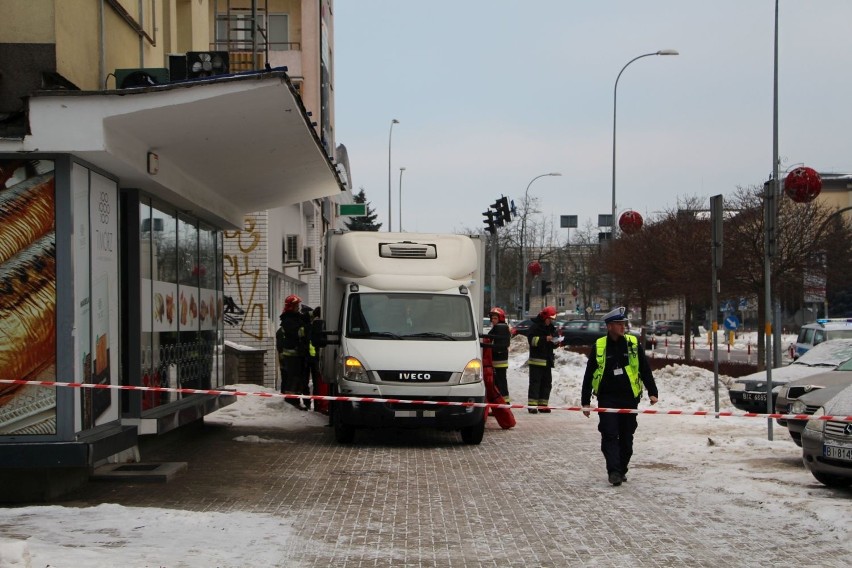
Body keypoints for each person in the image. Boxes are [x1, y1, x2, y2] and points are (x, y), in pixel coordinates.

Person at [581, 306, 659, 486]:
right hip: (607, 398)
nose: (623, 327)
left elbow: (644, 369)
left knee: (626, 436)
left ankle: (622, 468)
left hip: (629, 398)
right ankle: (614, 471)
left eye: (623, 323)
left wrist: (652, 391)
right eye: (618, 324)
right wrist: (585, 401)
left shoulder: (632, 344)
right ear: (609, 326)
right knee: (609, 433)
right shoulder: (600, 346)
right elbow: (589, 374)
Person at [276, 294, 309, 410]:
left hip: (298, 354)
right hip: (291, 355)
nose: (298, 307)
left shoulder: (296, 317)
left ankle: (297, 400)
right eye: (296, 305)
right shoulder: (288, 319)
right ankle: (291, 401)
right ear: (291, 306)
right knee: (293, 378)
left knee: (299, 378)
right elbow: (297, 332)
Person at [527, 305, 560, 413]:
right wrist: (544, 339)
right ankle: (532, 406)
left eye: (552, 320)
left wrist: (556, 342)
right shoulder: (535, 327)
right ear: (544, 317)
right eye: (549, 319)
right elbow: (532, 341)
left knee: (546, 383)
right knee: (535, 383)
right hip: (536, 360)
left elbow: (553, 343)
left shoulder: (551, 328)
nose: (550, 321)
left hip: (547, 360)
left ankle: (543, 405)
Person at [486, 307, 512, 402]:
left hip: (498, 361)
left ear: (500, 318)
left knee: (499, 383)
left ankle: (502, 403)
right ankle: (505, 402)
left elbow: (490, 340)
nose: (493, 320)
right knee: (501, 382)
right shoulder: (503, 327)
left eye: (495, 318)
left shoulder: (499, 327)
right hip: (500, 361)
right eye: (492, 318)